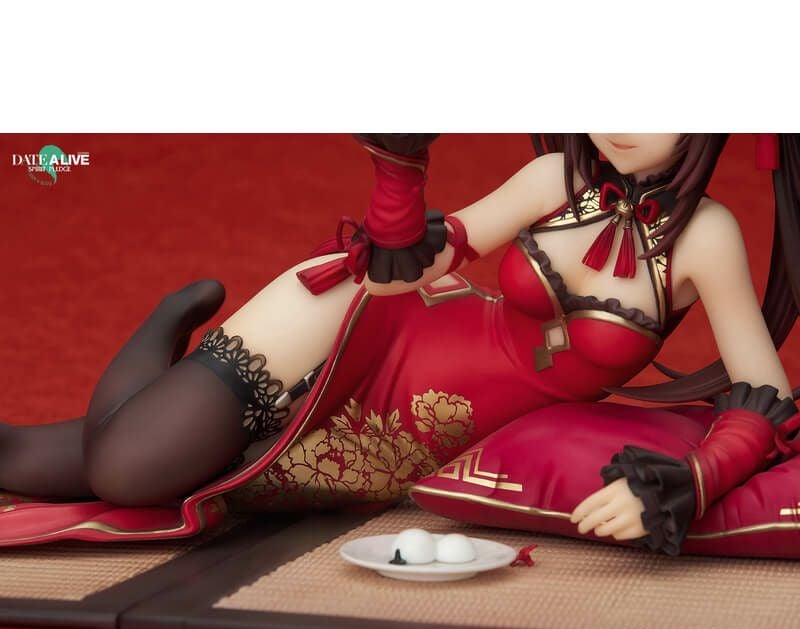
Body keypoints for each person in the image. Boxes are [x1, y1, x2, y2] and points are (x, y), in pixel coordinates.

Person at [1, 133, 798, 554]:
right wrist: (398, 177)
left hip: (417, 428)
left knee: (81, 463)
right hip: (377, 321)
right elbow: (433, 256)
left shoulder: (707, 237)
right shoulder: (557, 179)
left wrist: (690, 479)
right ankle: (164, 326)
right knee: (129, 469)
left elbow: (767, 395)